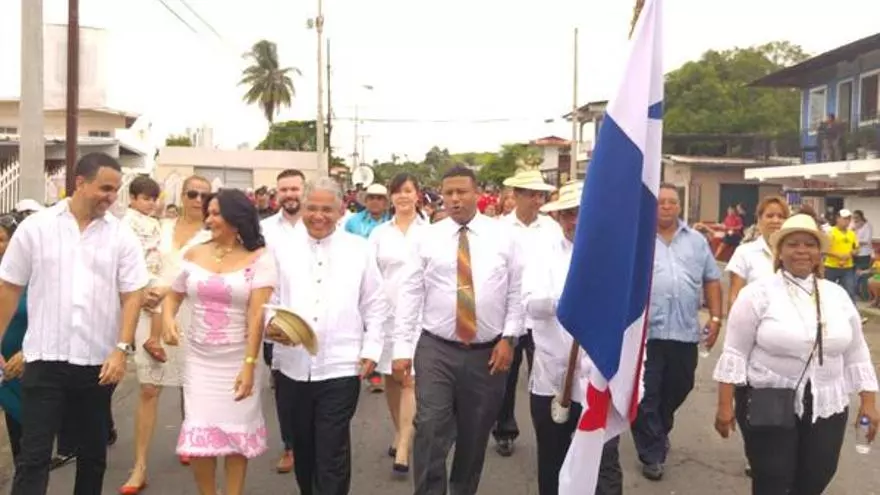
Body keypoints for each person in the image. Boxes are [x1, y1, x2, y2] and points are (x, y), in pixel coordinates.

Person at [0, 152, 149, 495]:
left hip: (97, 363)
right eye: (105, 188)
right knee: (33, 456)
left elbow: (132, 294)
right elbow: (9, 287)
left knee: (92, 455)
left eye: (116, 190)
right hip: (43, 359)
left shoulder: (120, 236)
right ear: (80, 184)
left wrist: (121, 349)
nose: (112, 197)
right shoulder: (36, 229)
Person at [714, 214, 880, 495]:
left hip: (827, 401)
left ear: (819, 253)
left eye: (809, 244)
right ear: (780, 252)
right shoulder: (757, 294)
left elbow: (857, 352)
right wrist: (724, 405)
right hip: (770, 397)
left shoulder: (837, 295)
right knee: (772, 479)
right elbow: (734, 352)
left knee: (818, 474)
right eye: (793, 244)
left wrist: (868, 403)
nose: (802, 251)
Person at [394, 165, 523, 495]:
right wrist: (401, 350)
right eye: (448, 193)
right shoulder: (426, 237)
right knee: (430, 429)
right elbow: (410, 292)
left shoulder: (504, 236)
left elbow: (516, 290)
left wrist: (509, 337)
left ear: (476, 193)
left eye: (461, 192)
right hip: (437, 349)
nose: (454, 199)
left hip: (488, 354)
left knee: (475, 434)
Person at [266, 177, 389, 495]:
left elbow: (375, 303)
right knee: (303, 447)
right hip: (292, 366)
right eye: (312, 208)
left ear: (341, 210)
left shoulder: (358, 250)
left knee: (332, 448)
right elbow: (268, 299)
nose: (318, 216)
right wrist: (273, 326)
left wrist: (372, 349)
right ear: (303, 208)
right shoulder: (281, 249)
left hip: (340, 365)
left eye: (326, 209)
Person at [164, 188, 276, 495]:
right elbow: (173, 295)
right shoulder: (194, 253)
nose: (209, 218)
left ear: (236, 218)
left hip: (239, 357)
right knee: (200, 434)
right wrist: (167, 321)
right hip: (199, 360)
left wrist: (250, 366)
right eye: (208, 212)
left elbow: (257, 317)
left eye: (216, 213)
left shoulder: (260, 259)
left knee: (235, 435)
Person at [523, 181, 622, 495]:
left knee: (602, 465)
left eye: (582, 212)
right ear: (558, 217)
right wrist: (569, 300)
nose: (575, 220)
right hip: (552, 379)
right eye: (567, 214)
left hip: (599, 379)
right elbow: (532, 304)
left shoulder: (614, 257)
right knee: (552, 461)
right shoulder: (543, 253)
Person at [120, 175, 212, 491]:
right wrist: (145, 290)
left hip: (192, 314)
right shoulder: (159, 227)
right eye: (192, 193)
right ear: (181, 195)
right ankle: (139, 466)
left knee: (192, 386)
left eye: (204, 195)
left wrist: (170, 289)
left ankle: (189, 435)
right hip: (152, 311)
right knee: (148, 388)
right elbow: (137, 260)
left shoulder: (212, 235)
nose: (197, 200)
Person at [631, 183, 722, 481]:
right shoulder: (637, 238)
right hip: (647, 333)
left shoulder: (696, 241)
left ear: (680, 206)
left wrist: (716, 316)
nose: (666, 206)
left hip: (684, 332)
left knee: (679, 387)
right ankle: (652, 453)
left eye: (672, 201)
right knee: (646, 394)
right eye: (660, 202)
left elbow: (711, 279)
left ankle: (658, 427)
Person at [494, 168, 560, 457]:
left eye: (540, 194)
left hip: (544, 315)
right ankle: (504, 429)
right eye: (531, 194)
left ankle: (549, 429)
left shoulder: (551, 228)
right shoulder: (498, 229)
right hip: (510, 314)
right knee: (506, 377)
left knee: (546, 375)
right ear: (516, 196)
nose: (537, 200)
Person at [723, 195, 790, 477]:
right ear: (759, 220)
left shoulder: (795, 251)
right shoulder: (746, 252)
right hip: (751, 335)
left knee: (785, 396)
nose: (775, 220)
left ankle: (780, 451)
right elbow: (735, 293)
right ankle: (756, 451)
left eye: (780, 216)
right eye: (769, 215)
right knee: (750, 396)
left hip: (786, 336)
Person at [369, 173, 427, 475]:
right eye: (398, 192)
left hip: (418, 317)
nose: (403, 196)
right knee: (392, 377)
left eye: (408, 190)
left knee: (410, 378)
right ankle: (400, 429)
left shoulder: (430, 232)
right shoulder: (379, 234)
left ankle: (404, 444)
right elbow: (371, 276)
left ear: (418, 195)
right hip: (385, 315)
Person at [260, 168, 306, 474]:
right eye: (284, 190)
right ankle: (290, 446)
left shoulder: (319, 223)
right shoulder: (264, 228)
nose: (290, 194)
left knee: (314, 384)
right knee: (284, 386)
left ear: (304, 190)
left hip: (314, 317)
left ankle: (312, 442)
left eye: (295, 189)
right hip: (275, 319)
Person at [0, 212, 26, 461]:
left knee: (21, 424)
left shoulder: (28, 275)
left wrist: (27, 352)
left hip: (22, 362)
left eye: (1, 239)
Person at [824, 209, 859, 301]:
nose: (846, 221)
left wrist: (852, 253)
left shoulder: (852, 234)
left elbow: (856, 248)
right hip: (831, 267)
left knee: (850, 291)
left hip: (847, 267)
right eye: (844, 219)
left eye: (848, 219)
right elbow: (824, 249)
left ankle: (852, 313)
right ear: (837, 219)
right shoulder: (830, 232)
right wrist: (838, 255)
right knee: (827, 291)